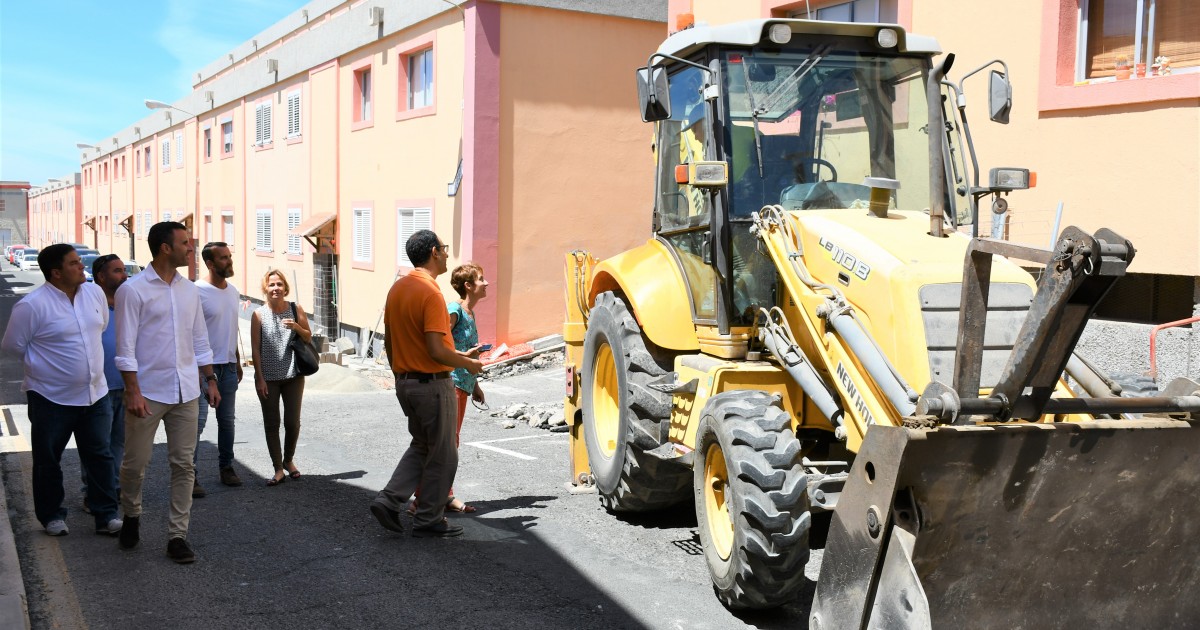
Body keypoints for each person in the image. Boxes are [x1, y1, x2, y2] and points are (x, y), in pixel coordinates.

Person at [115, 222, 219, 564]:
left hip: (186, 390)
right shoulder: (133, 290)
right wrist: (132, 390)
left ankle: (177, 536)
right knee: (135, 465)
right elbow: (125, 347)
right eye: (185, 244)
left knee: (184, 465)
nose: (190, 249)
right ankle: (131, 515)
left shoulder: (190, 290)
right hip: (147, 393)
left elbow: (200, 339)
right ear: (165, 248)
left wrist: (210, 379)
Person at [2, 244, 123, 537]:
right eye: (74, 263)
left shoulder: (93, 293)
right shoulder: (32, 306)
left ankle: (105, 514)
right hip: (50, 398)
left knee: (100, 456)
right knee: (48, 460)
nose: (82, 267)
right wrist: (47, 369)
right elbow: (12, 346)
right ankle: (52, 516)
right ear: (56, 273)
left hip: (95, 394)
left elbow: (100, 326)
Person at [370, 230, 482, 538]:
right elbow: (435, 350)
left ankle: (389, 499)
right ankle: (428, 518)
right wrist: (467, 363)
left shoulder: (397, 289)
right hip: (432, 383)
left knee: (422, 445)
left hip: (407, 381)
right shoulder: (431, 293)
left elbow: (391, 343)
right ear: (434, 252)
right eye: (444, 249)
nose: (447, 254)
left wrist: (399, 378)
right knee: (444, 453)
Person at [414, 262, 488, 515]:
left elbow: (463, 350)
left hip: (462, 385)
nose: (486, 283)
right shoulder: (454, 309)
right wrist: (464, 360)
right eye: (481, 279)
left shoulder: (469, 313)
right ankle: (422, 501)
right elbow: (434, 341)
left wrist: (474, 383)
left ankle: (443, 496)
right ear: (468, 286)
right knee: (444, 444)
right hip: (449, 383)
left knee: (449, 443)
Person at [192, 242, 244, 495]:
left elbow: (231, 329)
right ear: (210, 263)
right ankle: (189, 476)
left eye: (229, 256)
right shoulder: (196, 292)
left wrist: (236, 358)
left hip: (229, 367)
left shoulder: (233, 291)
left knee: (227, 422)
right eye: (223, 258)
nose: (229, 261)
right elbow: (191, 333)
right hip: (201, 370)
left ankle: (226, 467)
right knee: (197, 424)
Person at [250, 270, 310, 487]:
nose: (275, 288)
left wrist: (296, 326)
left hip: (293, 375)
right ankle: (278, 468)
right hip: (269, 378)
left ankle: (289, 460)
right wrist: (259, 378)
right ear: (265, 288)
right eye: (271, 284)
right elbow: (255, 350)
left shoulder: (296, 309)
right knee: (271, 423)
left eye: (279, 284)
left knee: (293, 423)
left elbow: (308, 336)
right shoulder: (258, 315)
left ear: (285, 287)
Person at [80, 254, 129, 511]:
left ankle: (112, 487)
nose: (124, 275)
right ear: (101, 276)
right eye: (118, 271)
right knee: (96, 444)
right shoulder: (90, 307)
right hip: (98, 387)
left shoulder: (127, 306)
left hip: (125, 385)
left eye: (123, 270)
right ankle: (92, 491)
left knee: (118, 442)